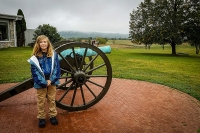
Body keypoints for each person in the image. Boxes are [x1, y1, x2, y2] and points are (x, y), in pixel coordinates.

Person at [27, 35, 60, 128]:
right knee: (41, 101)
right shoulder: (35, 57)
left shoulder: (54, 55)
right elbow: (35, 72)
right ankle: (41, 118)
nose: (43, 43)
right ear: (38, 44)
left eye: (45, 42)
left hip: (52, 81)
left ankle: (52, 116)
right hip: (40, 82)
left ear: (48, 43)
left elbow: (56, 69)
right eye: (41, 42)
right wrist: (44, 82)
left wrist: (51, 80)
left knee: (51, 100)